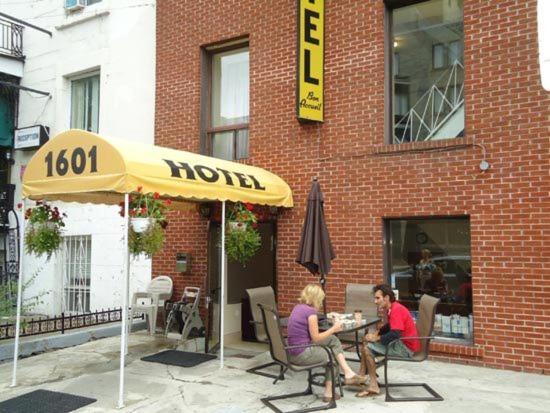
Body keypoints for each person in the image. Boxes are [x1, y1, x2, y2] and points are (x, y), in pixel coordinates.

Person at [287, 284, 367, 401]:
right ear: (316, 298)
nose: (321, 302)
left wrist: (331, 332)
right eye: (320, 299)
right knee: (332, 357)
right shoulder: (311, 313)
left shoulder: (298, 307)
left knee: (333, 340)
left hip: (292, 350)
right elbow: (316, 339)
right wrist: (333, 329)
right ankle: (329, 394)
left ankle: (348, 372)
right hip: (302, 353)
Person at [356, 284, 420, 397]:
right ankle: (362, 375)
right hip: (402, 343)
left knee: (367, 349)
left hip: (405, 348)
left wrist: (376, 338)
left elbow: (395, 334)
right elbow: (390, 326)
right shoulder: (393, 308)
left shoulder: (396, 310)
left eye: (377, 298)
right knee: (366, 340)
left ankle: (373, 385)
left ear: (386, 298)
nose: (375, 301)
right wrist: (377, 333)